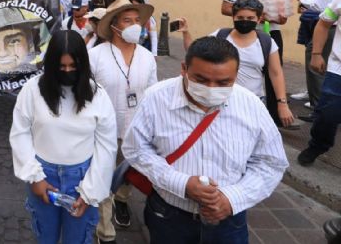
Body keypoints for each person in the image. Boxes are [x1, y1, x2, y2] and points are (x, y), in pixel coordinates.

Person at [123, 36, 288, 244]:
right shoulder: (156, 98)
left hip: (229, 221)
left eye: (223, 82)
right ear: (184, 68)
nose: (211, 88)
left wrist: (232, 198)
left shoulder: (251, 105)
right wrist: (180, 183)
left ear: (236, 76)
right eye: (201, 80)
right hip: (169, 217)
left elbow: (271, 162)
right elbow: (136, 149)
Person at [10, 30, 117, 244]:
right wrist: (35, 177)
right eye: (61, 67)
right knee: (45, 236)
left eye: (73, 67)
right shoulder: (32, 90)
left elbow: (106, 147)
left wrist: (90, 191)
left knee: (77, 239)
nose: (67, 71)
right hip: (43, 174)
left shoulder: (98, 95)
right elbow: (20, 133)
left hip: (82, 177)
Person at [87, 0, 157, 242]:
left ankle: (123, 199)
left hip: (137, 131)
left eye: (137, 20)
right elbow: (87, 95)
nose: (134, 25)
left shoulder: (147, 57)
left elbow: (152, 94)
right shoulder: (95, 56)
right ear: (114, 25)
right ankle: (105, 232)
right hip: (103, 132)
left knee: (129, 174)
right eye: (128, 21)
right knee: (103, 179)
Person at [180, 0, 297, 130]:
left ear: (259, 19)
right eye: (240, 18)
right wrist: (185, 32)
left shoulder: (266, 42)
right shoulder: (221, 35)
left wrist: (282, 104)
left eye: (250, 18)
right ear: (233, 17)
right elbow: (195, 53)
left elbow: (276, 74)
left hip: (252, 101)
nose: (245, 22)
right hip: (221, 98)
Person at [297, 0, 341, 165]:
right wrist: (316, 54)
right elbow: (323, 24)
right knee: (327, 114)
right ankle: (317, 145)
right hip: (338, 69)